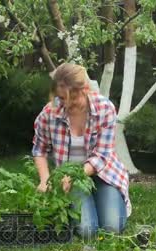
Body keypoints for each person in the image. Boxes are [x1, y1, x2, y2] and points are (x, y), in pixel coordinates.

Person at [32, 63, 131, 239]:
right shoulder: (50, 112)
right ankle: (85, 204)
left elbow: (101, 156)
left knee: (112, 227)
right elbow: (39, 149)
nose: (66, 104)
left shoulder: (104, 109)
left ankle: (103, 198)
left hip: (103, 175)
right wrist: (45, 179)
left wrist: (75, 175)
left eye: (72, 98)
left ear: (85, 89)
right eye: (61, 98)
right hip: (68, 180)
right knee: (87, 231)